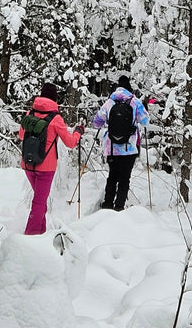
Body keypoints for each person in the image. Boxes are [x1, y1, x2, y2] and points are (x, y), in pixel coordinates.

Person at [19, 82, 83, 235]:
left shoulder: (29, 114)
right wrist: (78, 132)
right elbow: (70, 143)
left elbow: (22, 135)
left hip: (28, 164)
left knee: (40, 202)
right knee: (39, 203)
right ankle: (30, 238)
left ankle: (41, 233)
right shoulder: (56, 119)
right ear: (55, 99)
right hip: (46, 168)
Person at [92, 76, 149, 211]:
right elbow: (146, 121)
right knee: (125, 178)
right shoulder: (135, 102)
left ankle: (107, 205)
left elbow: (96, 123)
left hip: (112, 148)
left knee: (112, 176)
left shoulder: (109, 102)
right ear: (129, 89)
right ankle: (119, 207)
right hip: (129, 148)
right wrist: (145, 109)